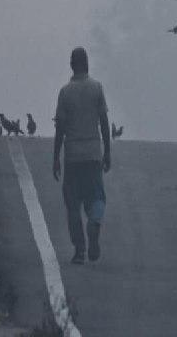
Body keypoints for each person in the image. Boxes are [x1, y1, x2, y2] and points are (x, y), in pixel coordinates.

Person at [53, 47, 111, 264]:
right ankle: (94, 221)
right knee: (96, 196)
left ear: (71, 65)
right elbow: (104, 122)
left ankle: (79, 251)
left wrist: (55, 158)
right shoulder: (97, 88)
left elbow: (60, 127)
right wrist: (107, 152)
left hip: (73, 156)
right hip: (93, 154)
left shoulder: (65, 92)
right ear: (87, 64)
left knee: (73, 203)